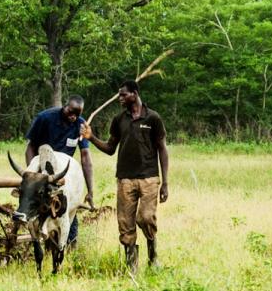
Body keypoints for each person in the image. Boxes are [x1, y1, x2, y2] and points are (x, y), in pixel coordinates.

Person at [81, 79, 170, 273]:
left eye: (123, 94)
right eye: (119, 95)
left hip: (149, 178)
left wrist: (165, 183)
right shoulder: (119, 120)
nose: (120, 98)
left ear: (135, 94)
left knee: (146, 218)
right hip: (125, 179)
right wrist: (91, 138)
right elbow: (110, 148)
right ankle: (132, 268)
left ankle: (153, 258)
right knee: (125, 224)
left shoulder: (153, 118)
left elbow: (162, 149)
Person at [25, 96, 95, 246]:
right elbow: (30, 147)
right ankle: (38, 236)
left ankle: (68, 246)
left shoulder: (80, 125)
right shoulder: (45, 118)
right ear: (65, 106)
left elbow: (85, 156)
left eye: (77, 114)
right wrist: (32, 176)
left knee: (69, 211)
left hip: (64, 176)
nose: (73, 117)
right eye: (70, 112)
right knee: (35, 208)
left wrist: (90, 190)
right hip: (43, 172)